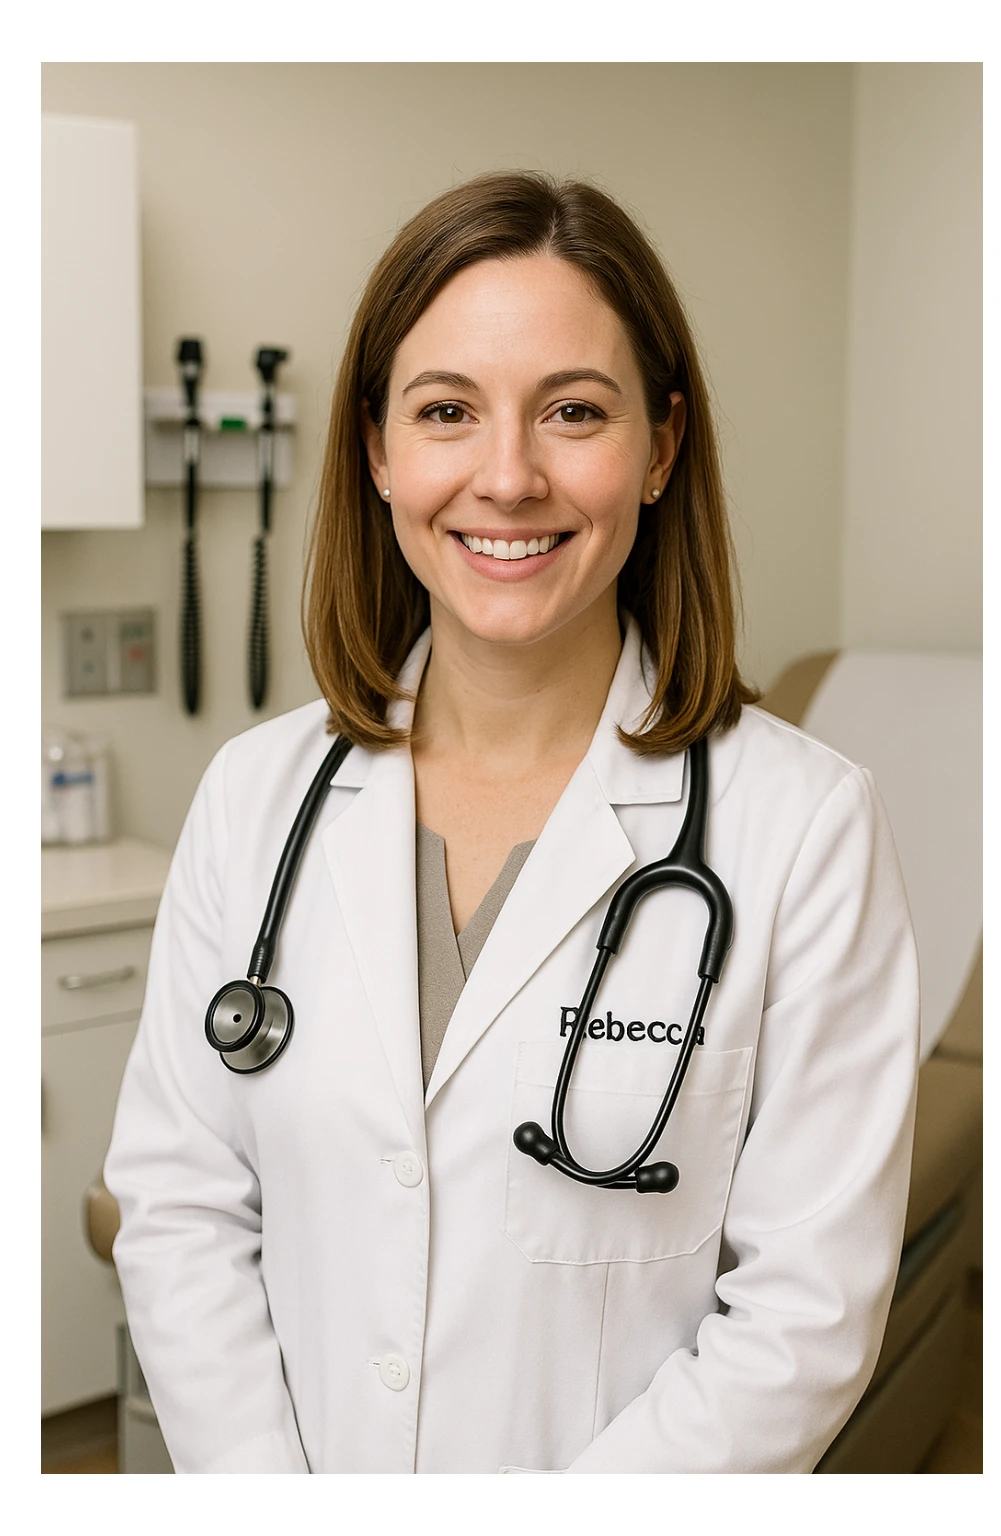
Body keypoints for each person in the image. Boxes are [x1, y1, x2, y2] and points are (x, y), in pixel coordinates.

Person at [104, 170, 920, 1475]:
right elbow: (181, 1211)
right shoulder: (254, 802)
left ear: (660, 445)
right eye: (446, 411)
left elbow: (800, 1320)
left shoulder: (804, 831)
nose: (507, 475)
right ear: (377, 449)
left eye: (573, 412)